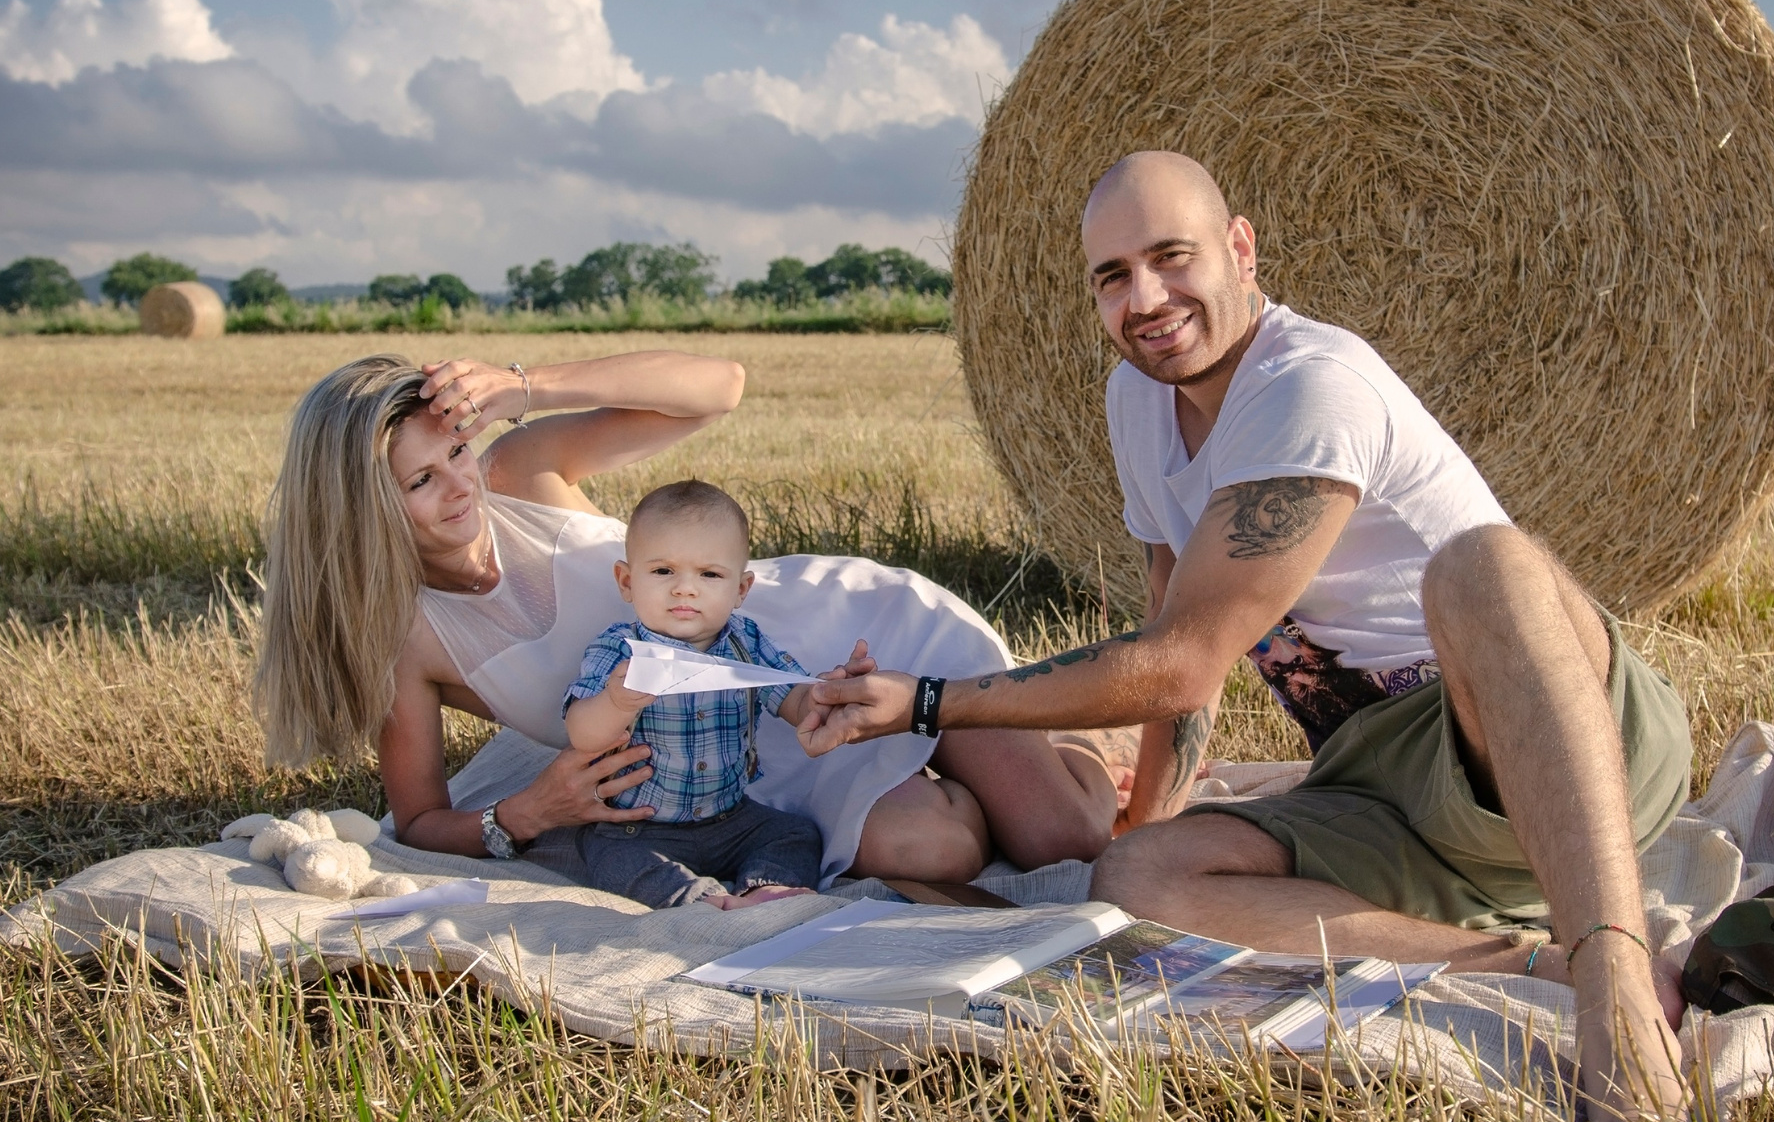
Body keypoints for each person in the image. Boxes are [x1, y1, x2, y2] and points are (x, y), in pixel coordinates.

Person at [797, 152, 1694, 1122]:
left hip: (1554, 739)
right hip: (1387, 792)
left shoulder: (1311, 383)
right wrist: (1142, 824)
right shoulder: (1136, 402)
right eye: (1112, 276)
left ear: (1241, 248)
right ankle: (1523, 962)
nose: (1145, 299)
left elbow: (1182, 658)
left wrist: (927, 702)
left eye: (1170, 258)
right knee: (1141, 882)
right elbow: (1170, 633)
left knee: (1484, 564)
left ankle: (1611, 978)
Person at [251, 349, 1121, 887]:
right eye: (419, 481)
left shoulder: (521, 471)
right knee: (930, 848)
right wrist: (525, 812)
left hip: (832, 642)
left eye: (454, 451)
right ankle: (964, 766)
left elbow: (718, 388)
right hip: (739, 772)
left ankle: (1072, 750)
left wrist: (526, 388)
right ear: (359, 507)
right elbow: (420, 822)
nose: (460, 486)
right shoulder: (409, 640)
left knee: (1065, 837)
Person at [562, 480, 826, 910]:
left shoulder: (746, 641)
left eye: (709, 574)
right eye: (663, 571)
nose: (685, 588)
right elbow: (582, 734)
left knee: (796, 834)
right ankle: (701, 902)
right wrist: (615, 703)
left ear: (740, 590)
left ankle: (764, 888)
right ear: (627, 581)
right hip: (641, 828)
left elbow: (792, 697)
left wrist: (824, 696)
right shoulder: (620, 651)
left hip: (732, 818)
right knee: (611, 860)